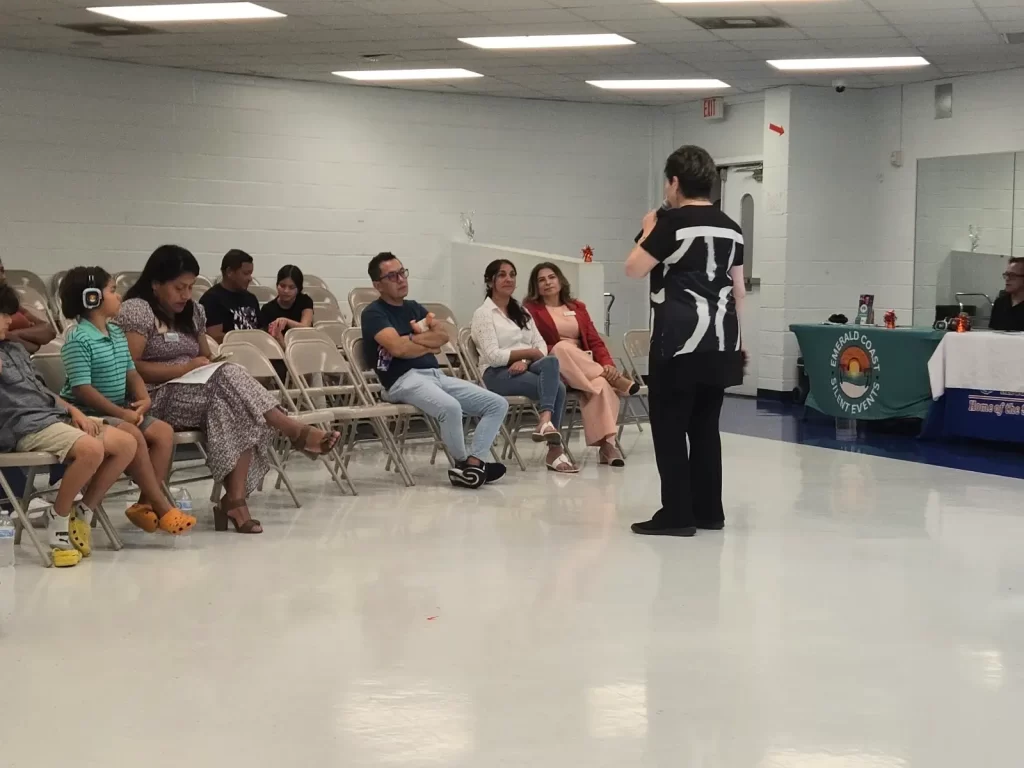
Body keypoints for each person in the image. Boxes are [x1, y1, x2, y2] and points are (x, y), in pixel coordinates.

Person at [117, 245, 340, 534]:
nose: (186, 295)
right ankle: (292, 430)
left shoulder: (193, 310)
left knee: (234, 403)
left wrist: (204, 366)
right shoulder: (137, 310)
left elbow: (203, 357)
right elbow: (131, 367)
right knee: (233, 385)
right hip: (152, 395)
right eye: (179, 288)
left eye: (190, 287)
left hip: (199, 390)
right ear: (156, 284)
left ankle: (235, 502)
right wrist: (185, 369)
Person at [624, 144, 746, 537]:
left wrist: (646, 232)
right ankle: (710, 511)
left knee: (670, 428)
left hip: (678, 342)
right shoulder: (732, 227)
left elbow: (633, 269)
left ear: (675, 182)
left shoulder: (671, 225)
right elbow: (739, 289)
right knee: (706, 428)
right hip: (721, 341)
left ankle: (677, 514)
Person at [0, 283, 137, 566]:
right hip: (23, 426)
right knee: (90, 449)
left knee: (126, 443)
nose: (9, 320)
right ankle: (58, 519)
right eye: (2, 315)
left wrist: (74, 410)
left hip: (51, 416)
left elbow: (42, 392)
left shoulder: (13, 348)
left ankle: (83, 511)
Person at [58, 266, 195, 536]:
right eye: (112, 290)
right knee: (132, 433)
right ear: (92, 298)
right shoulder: (78, 338)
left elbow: (131, 372)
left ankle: (143, 505)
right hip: (88, 414)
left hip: (118, 410)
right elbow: (82, 389)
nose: (119, 295)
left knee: (163, 432)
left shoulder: (116, 333)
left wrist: (144, 399)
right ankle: (161, 506)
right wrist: (121, 415)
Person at [361, 252, 509, 489]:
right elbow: (397, 348)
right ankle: (463, 466)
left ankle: (474, 461)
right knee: (451, 408)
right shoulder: (373, 313)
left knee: (497, 404)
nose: (401, 279)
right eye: (392, 276)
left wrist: (413, 341)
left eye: (402, 272)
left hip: (435, 375)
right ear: (378, 285)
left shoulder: (413, 308)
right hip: (402, 381)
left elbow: (442, 337)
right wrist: (421, 341)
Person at [524, 262, 637, 467]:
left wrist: (607, 363)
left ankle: (607, 447)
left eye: (551, 277)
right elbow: (532, 342)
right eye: (541, 280)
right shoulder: (531, 310)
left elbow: (594, 340)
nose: (547, 282)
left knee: (601, 386)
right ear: (536, 286)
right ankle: (614, 379)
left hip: (583, 366)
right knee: (561, 348)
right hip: (555, 366)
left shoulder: (577, 307)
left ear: (560, 280)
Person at [471, 260, 575, 474]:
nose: (508, 279)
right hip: (496, 374)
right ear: (490, 281)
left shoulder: (521, 311)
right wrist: (526, 354)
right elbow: (493, 356)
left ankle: (545, 421)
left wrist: (525, 361)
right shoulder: (484, 314)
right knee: (559, 388)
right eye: (502, 275)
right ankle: (554, 449)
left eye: (512, 274)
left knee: (552, 361)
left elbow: (540, 347)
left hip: (525, 368)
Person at [199, 248, 260, 343]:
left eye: (250, 273)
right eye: (245, 273)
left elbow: (261, 330)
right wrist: (247, 341)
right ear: (229, 272)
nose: (250, 278)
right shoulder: (211, 300)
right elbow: (213, 336)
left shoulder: (251, 298)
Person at [0, 256, 57, 354]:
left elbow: (49, 330)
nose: (4, 276)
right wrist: (29, 333)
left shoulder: (10, 302)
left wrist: (12, 335)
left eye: (2, 270)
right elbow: (32, 346)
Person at [260, 264, 315, 342]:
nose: (286, 291)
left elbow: (306, 328)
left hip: (303, 344)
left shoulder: (305, 301)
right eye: (282, 286)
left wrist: (286, 321)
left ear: (299, 289)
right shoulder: (267, 309)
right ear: (277, 285)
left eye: (291, 287)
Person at [989, 257, 1024, 332]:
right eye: (1006, 275)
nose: (1007, 279)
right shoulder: (1000, 303)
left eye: (1012, 275)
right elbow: (993, 333)